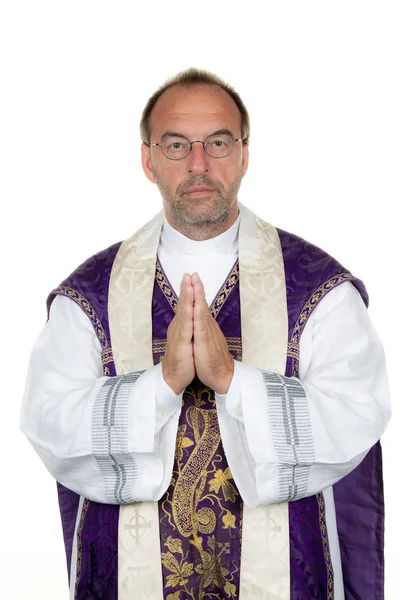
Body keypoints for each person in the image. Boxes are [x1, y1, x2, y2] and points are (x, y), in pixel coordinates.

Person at [21, 68, 391, 600]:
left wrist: (236, 382)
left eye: (218, 142)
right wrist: (160, 385)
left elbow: (359, 413)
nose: (198, 164)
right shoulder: (90, 297)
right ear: (147, 159)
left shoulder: (318, 289)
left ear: (244, 154)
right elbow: (48, 420)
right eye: (176, 145)